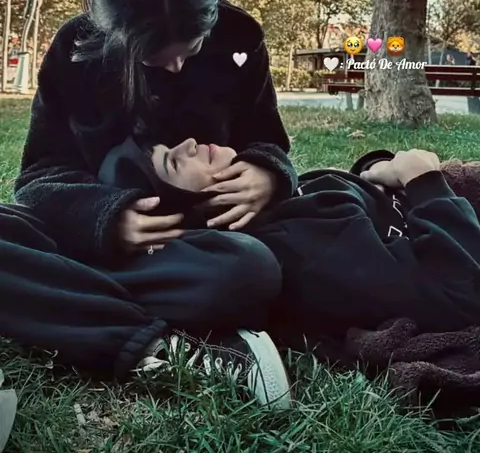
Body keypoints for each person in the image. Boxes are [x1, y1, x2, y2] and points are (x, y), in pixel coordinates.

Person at [3, 0, 298, 407]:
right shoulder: (75, 49)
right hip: (80, 243)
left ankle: (49, 294)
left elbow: (268, 140)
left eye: (192, 48)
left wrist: (269, 173)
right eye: (153, 56)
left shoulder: (240, 37)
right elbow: (38, 178)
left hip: (194, 252)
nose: (177, 67)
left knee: (251, 270)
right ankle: (159, 347)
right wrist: (106, 217)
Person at [97, 136, 480, 350]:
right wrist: (424, 181)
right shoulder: (312, 250)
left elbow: (352, 199)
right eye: (174, 163)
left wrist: (375, 170)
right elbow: (461, 293)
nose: (189, 143)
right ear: (186, 212)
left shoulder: (281, 207)